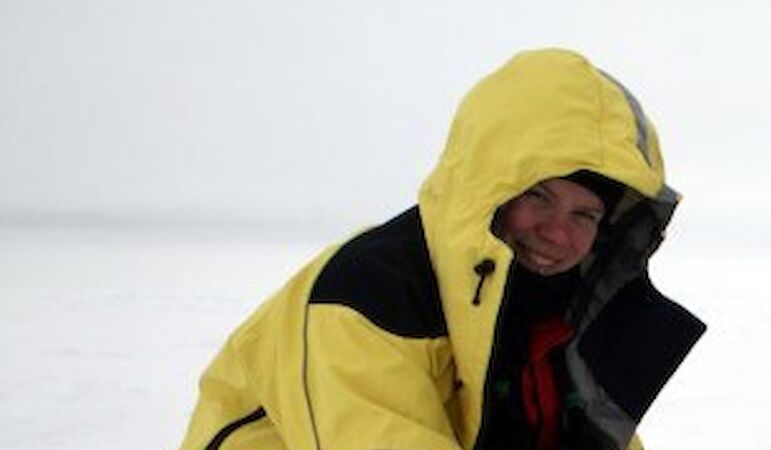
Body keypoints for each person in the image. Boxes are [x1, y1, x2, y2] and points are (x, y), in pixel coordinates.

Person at [179, 48, 706, 450]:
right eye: (538, 197)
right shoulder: (365, 296)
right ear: (484, 189)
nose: (556, 232)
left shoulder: (558, 323)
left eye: (584, 215)